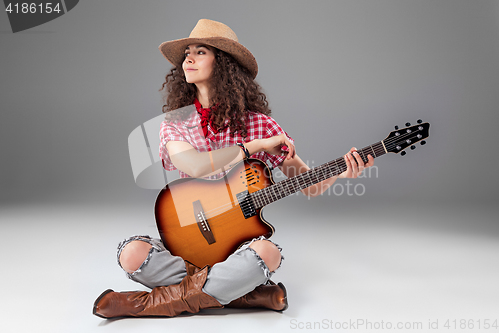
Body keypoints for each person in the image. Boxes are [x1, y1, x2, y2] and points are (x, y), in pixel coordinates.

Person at [93, 19, 374, 319]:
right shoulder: (176, 123)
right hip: (187, 239)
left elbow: (307, 184)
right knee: (131, 254)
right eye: (188, 52)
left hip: (234, 249)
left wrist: (342, 172)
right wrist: (254, 147)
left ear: (223, 64)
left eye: (200, 52)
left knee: (267, 254)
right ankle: (242, 295)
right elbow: (195, 165)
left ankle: (144, 304)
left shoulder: (260, 125)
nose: (188, 58)